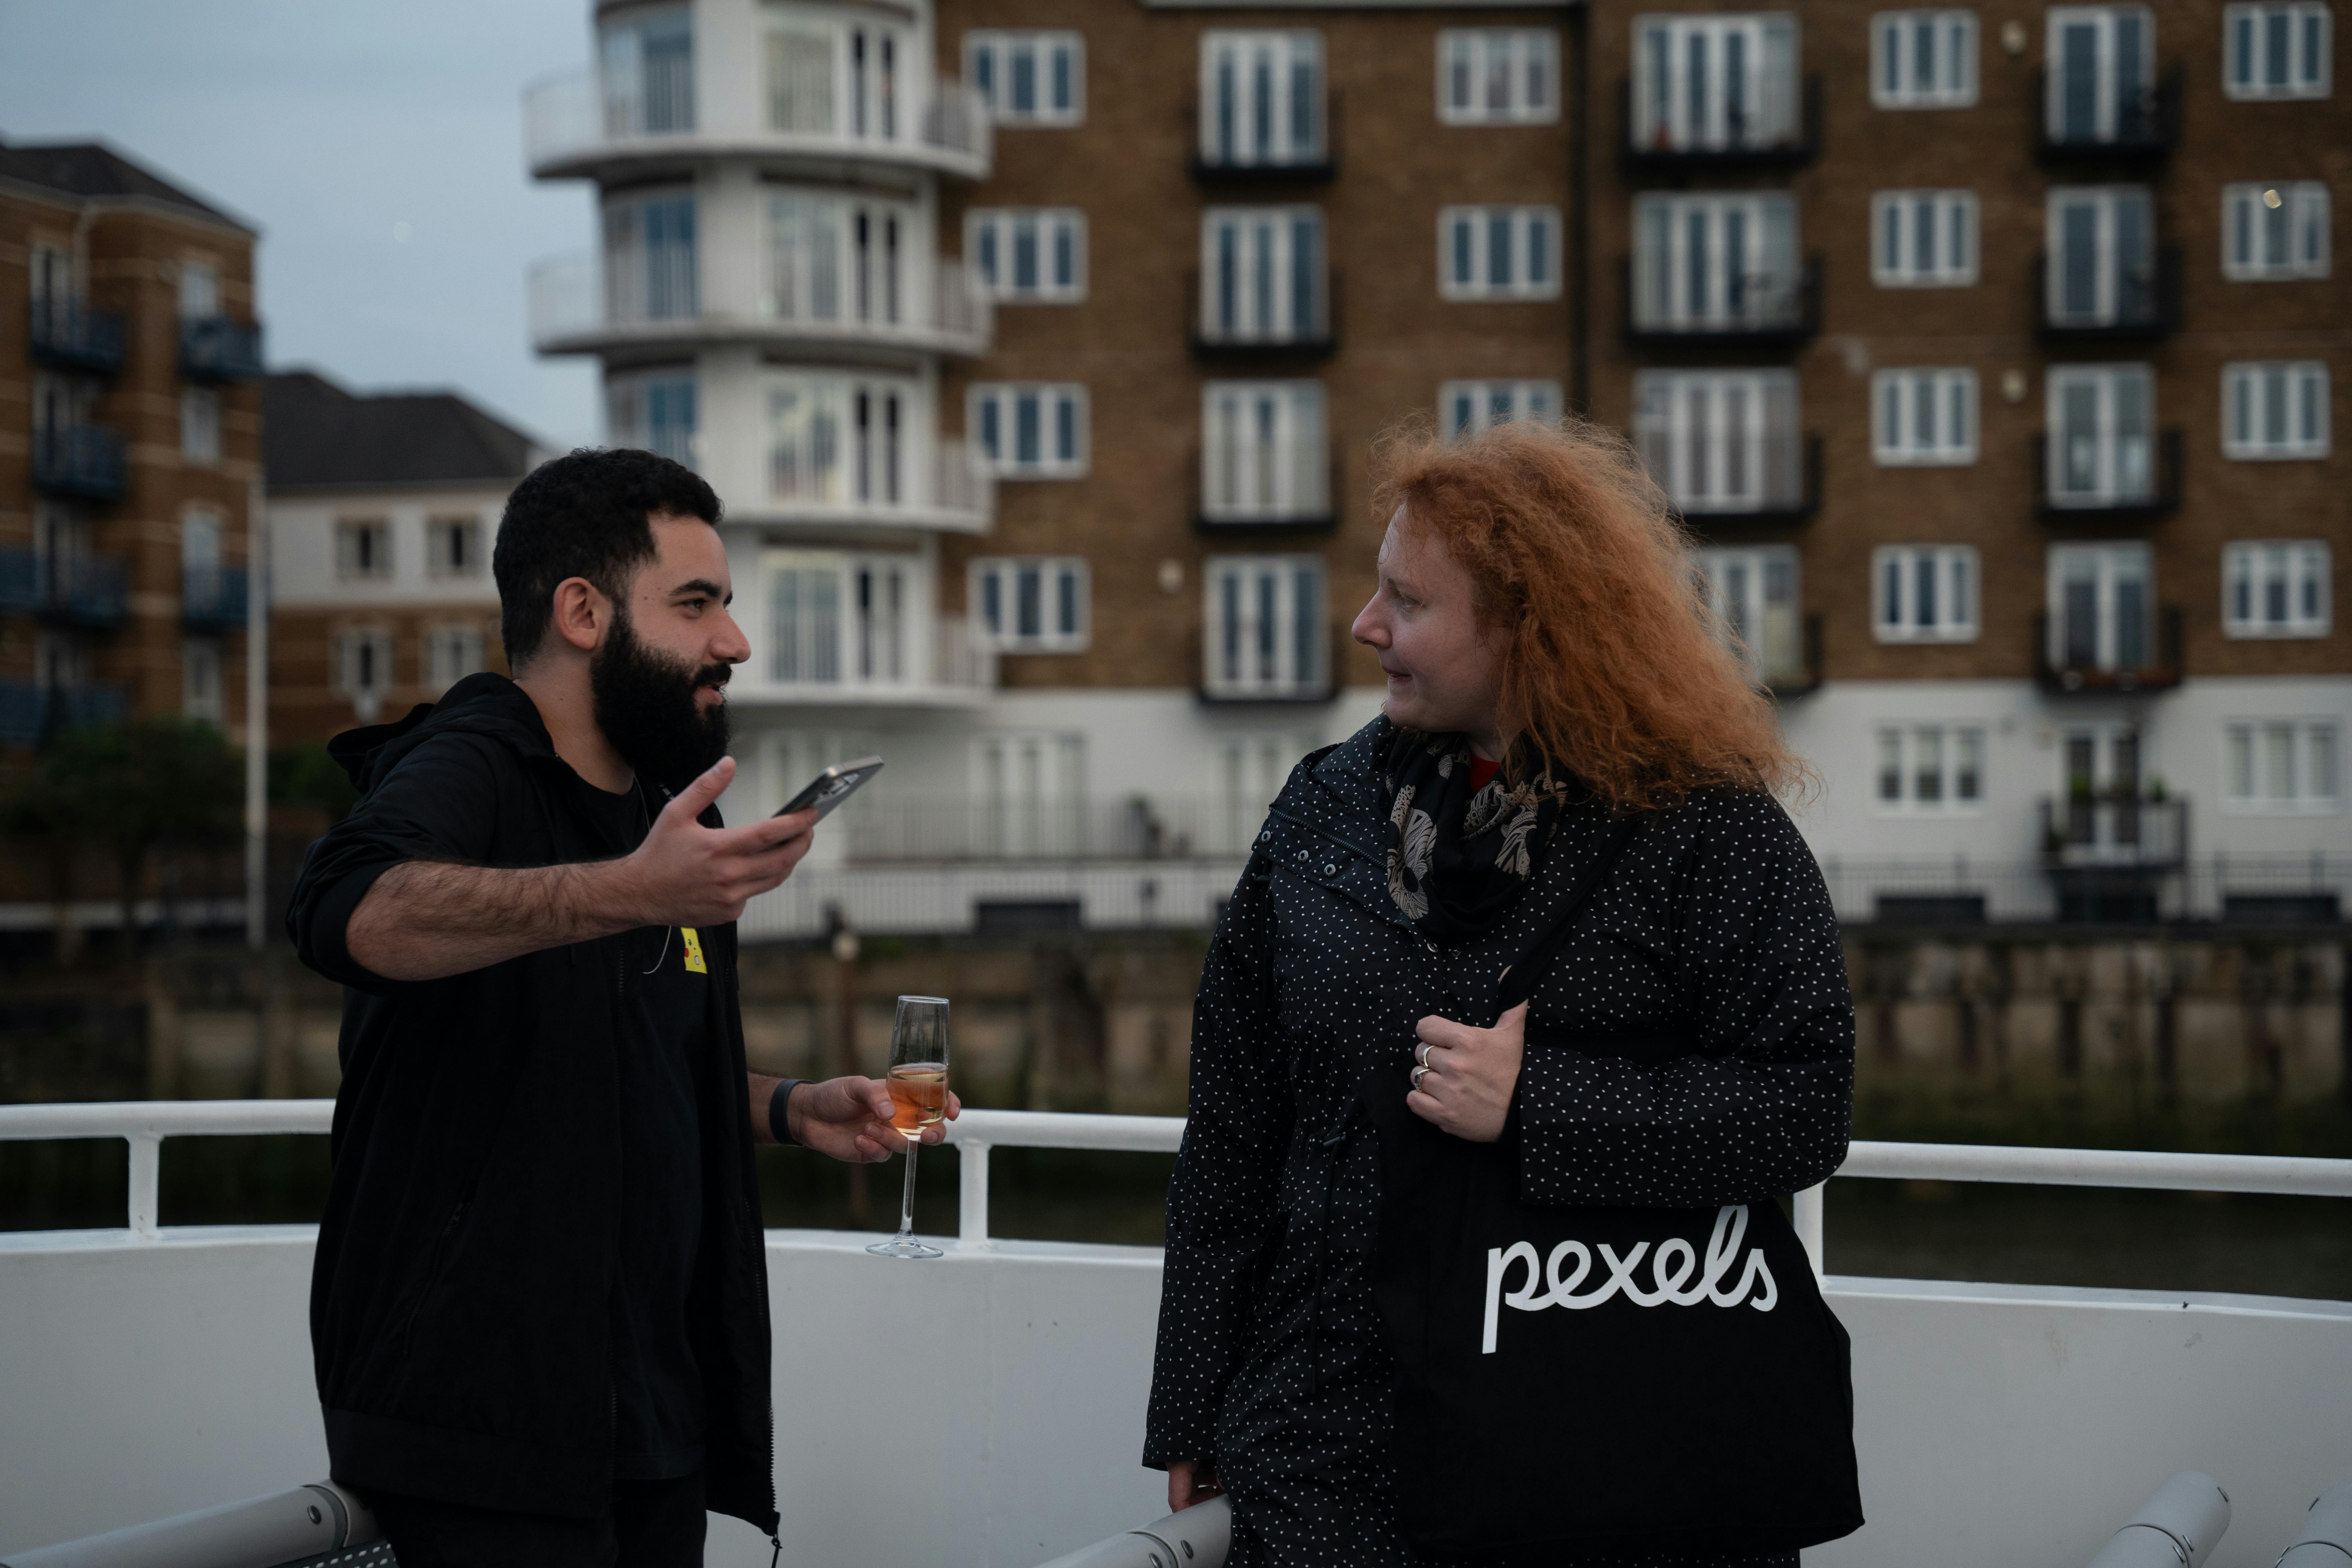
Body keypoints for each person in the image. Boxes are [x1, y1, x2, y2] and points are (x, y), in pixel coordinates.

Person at [1143, 419, 1856, 1566]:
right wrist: (1191, 1406)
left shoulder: (1704, 829)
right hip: (1327, 1446)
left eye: (1408, 603)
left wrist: (1542, 1103)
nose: (1367, 626)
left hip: (1597, 1445)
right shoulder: (1323, 807)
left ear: (1532, 630)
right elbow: (1233, 1131)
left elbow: (1805, 1106)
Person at [286, 448, 956, 1568]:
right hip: (481, 1431)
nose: (733, 644)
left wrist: (791, 1108)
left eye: (727, 608)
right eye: (695, 605)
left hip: (649, 1415)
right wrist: (629, 893)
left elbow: (621, 1054)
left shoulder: (655, 815)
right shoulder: (474, 760)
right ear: (583, 611)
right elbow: (343, 908)